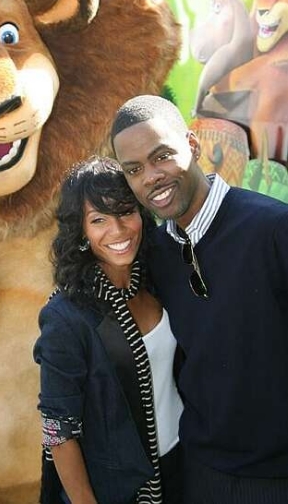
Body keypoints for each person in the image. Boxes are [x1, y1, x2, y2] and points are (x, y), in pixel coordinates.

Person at [111, 94, 288, 504]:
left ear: (192, 146)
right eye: (134, 170)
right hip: (201, 472)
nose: (150, 177)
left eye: (162, 157)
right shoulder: (152, 252)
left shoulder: (272, 230)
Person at [34, 155, 184, 504]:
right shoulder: (67, 315)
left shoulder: (155, 280)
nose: (117, 230)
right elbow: (59, 430)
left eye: (125, 211)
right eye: (98, 219)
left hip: (183, 459)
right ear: (81, 231)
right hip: (119, 487)